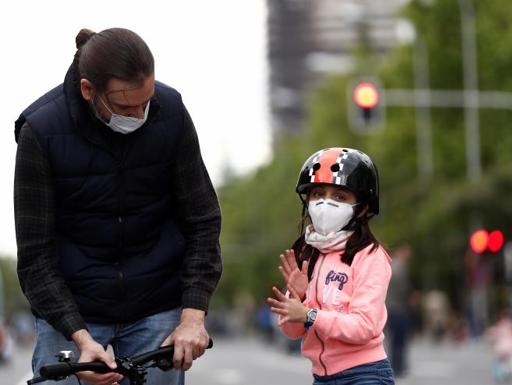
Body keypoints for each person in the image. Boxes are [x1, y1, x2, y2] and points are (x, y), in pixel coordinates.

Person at [14, 28, 222, 385]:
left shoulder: (170, 113)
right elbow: (35, 256)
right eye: (126, 106)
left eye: (146, 101)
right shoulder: (40, 131)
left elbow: (202, 220)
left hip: (155, 304)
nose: (140, 114)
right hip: (71, 312)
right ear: (87, 90)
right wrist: (79, 337)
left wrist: (192, 316)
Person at [267, 147, 395, 384]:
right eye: (318, 194)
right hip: (321, 377)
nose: (325, 203)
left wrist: (310, 314)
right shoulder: (308, 254)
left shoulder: (370, 256)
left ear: (363, 207)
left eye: (340, 196)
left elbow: (365, 326)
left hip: (364, 375)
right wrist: (301, 296)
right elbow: (291, 332)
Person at [385, 243, 412, 377]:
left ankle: (396, 366)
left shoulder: (392, 266)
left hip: (391, 307)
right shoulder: (399, 268)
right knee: (399, 340)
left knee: (395, 340)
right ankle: (398, 367)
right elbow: (403, 290)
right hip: (398, 308)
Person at [485, 309, 512, 383]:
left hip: (502, 347)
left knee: (501, 361)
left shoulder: (497, 325)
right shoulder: (511, 323)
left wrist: (491, 341)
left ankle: (501, 374)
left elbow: (492, 335)